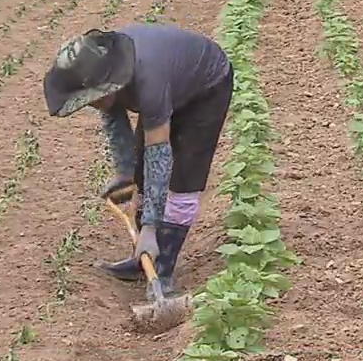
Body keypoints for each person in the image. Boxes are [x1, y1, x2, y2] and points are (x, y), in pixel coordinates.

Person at [43, 24, 233, 293]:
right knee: (142, 175)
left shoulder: (147, 80)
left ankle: (162, 270)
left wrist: (150, 228)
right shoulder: (105, 66)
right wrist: (125, 172)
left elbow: (160, 155)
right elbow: (114, 120)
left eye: (94, 99)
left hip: (207, 88)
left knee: (184, 181)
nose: (93, 104)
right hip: (170, 81)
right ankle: (141, 261)